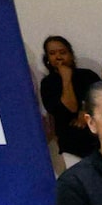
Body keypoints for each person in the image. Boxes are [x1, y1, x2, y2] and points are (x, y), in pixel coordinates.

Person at [39, 33, 92, 164]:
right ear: (48, 59)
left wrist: (85, 111)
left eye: (62, 52)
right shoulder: (48, 83)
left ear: (71, 54)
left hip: (98, 134)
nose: (58, 57)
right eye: (52, 53)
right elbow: (69, 108)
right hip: (70, 139)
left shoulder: (88, 75)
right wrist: (66, 78)